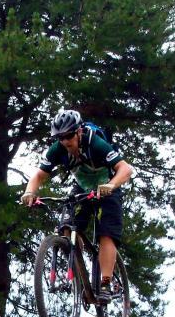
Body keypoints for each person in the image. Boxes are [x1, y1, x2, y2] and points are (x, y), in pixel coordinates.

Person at [21, 109, 135, 301]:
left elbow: (125, 169)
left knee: (106, 233)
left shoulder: (95, 143)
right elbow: (39, 175)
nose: (65, 141)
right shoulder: (57, 149)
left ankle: (105, 283)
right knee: (66, 227)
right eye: (60, 137)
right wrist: (29, 192)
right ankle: (78, 270)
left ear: (79, 131)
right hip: (83, 188)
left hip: (108, 186)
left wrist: (111, 185)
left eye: (69, 135)